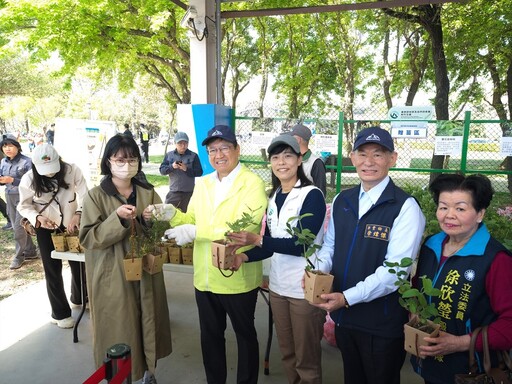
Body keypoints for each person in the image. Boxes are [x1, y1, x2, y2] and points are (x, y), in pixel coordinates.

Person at [314, 126, 426, 384]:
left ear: (392, 159)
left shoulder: (404, 207)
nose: (369, 162)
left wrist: (347, 298)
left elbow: (395, 273)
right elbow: (330, 246)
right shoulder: (343, 199)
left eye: (378, 154)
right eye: (362, 154)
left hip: (381, 323)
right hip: (344, 318)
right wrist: (316, 273)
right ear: (352, 158)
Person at [160, 125, 267, 384]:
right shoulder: (204, 183)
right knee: (210, 336)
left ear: (237, 150)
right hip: (205, 275)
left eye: (224, 148)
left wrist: (197, 231)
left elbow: (245, 228)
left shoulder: (252, 183)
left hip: (236, 274)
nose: (218, 155)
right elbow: (192, 218)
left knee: (244, 335)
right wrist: (171, 215)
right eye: (212, 150)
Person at [227, 133, 327, 383]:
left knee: (307, 358)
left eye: (288, 156)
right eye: (275, 157)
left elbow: (302, 244)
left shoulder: (311, 195)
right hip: (279, 288)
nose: (282, 162)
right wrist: (244, 258)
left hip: (304, 288)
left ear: (299, 159)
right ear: (270, 162)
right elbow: (270, 246)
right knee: (288, 354)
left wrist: (256, 240)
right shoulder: (273, 198)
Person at [79, 134, 172, 384]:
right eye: (120, 159)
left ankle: (146, 373)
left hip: (145, 268)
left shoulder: (148, 192)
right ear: (108, 161)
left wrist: (153, 220)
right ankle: (120, 376)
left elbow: (161, 230)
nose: (126, 164)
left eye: (132, 159)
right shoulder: (96, 196)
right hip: (112, 273)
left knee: (148, 321)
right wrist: (117, 219)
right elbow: (88, 238)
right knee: (121, 324)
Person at [410, 174, 512, 384]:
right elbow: (417, 288)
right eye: (443, 206)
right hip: (430, 362)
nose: (449, 215)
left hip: (470, 372)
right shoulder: (431, 245)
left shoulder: (495, 259)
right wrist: (413, 312)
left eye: (460, 208)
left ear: (480, 213)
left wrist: (459, 343)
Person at [18, 144, 88, 328]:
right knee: (52, 269)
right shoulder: (29, 179)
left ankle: (80, 297)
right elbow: (24, 205)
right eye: (44, 171)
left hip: (72, 223)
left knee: (79, 262)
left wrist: (79, 213)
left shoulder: (72, 170)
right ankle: (60, 313)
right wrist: (38, 217)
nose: (49, 174)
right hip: (45, 226)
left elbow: (85, 195)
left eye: (52, 169)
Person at [0, 134, 38, 269]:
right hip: (9, 196)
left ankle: (18, 256)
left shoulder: (26, 161)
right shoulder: (4, 162)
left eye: (10, 145)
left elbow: (33, 182)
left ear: (17, 147)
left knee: (17, 228)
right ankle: (30, 251)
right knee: (20, 227)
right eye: (4, 146)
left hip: (24, 198)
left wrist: (13, 180)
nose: (7, 149)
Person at [159, 131, 203, 212]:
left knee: (188, 215)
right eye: (180, 143)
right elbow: (162, 171)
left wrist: (186, 169)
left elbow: (199, 172)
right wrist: (172, 167)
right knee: (168, 214)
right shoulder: (169, 155)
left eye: (185, 143)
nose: (183, 146)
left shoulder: (194, 156)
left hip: (188, 193)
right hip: (173, 193)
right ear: (175, 143)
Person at [289, 123, 326, 196]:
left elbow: (321, 192)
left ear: (298, 140)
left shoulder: (316, 163)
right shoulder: (291, 159)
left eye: (292, 138)